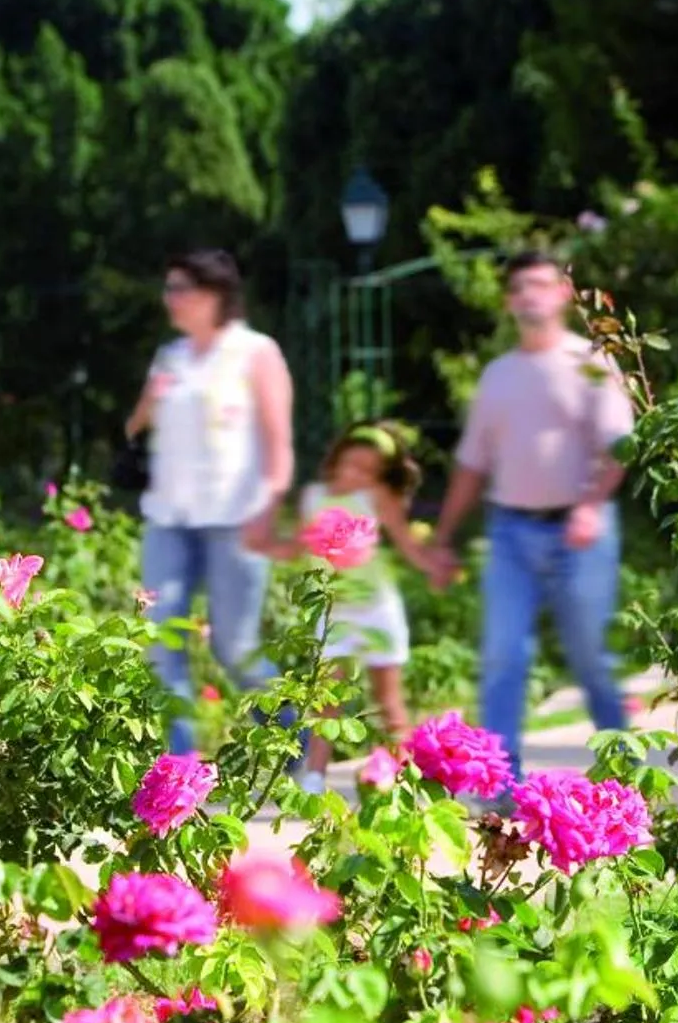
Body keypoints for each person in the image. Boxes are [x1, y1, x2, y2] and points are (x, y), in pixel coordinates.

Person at [423, 250, 634, 780]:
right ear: (508, 302)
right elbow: (472, 464)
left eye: (539, 284)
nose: (528, 296)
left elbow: (620, 449)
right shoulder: (499, 375)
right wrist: (443, 538)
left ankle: (624, 777)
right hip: (511, 533)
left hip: (579, 533)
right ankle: (500, 782)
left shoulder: (591, 362)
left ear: (562, 293)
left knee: (592, 659)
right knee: (502, 657)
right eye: (518, 288)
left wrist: (590, 506)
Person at [125, 248, 297, 761]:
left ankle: (295, 743)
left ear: (215, 294)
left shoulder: (256, 352)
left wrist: (269, 510)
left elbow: (279, 442)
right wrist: (149, 402)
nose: (170, 299)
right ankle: (178, 772)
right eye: (168, 288)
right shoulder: (171, 357)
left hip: (235, 519)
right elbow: (134, 428)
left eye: (180, 288)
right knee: (161, 645)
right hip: (169, 519)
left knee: (235, 649)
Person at [276, 422, 423, 784]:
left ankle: (408, 782)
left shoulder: (374, 498)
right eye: (352, 464)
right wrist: (263, 546)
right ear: (336, 460)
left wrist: (435, 565)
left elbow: (406, 543)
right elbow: (298, 545)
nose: (356, 474)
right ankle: (314, 779)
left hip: (377, 610)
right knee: (327, 700)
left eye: (368, 471)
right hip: (333, 612)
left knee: (389, 701)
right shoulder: (312, 496)